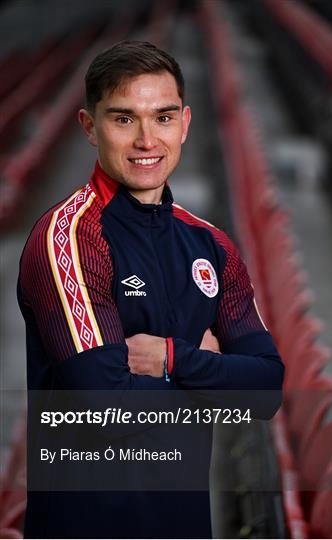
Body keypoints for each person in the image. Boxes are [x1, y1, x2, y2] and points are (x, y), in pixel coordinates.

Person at [18, 40, 284, 539]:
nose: (146, 139)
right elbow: (105, 410)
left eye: (162, 118)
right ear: (89, 127)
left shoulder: (213, 244)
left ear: (184, 123)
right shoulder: (68, 238)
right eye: (123, 119)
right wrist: (214, 373)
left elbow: (266, 389)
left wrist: (170, 359)